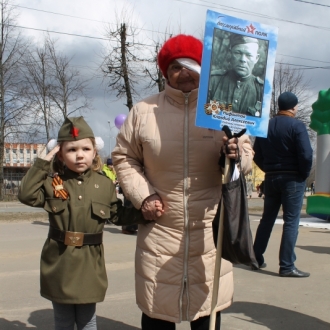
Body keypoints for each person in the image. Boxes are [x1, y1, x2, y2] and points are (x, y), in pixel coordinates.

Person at [112, 34, 253, 330]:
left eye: (192, 65)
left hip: (210, 230)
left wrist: (236, 153)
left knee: (207, 313)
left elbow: (247, 155)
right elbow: (124, 158)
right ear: (166, 72)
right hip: (160, 230)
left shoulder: (224, 109)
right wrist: (143, 196)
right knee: (157, 311)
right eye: (176, 66)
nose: (184, 72)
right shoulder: (144, 111)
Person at [18, 116, 149, 330]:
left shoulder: (104, 184)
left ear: (94, 151)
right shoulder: (54, 182)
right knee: (63, 321)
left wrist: (145, 212)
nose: (80, 155)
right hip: (59, 261)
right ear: (59, 153)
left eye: (86, 149)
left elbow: (118, 216)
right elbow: (26, 195)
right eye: (71, 150)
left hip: (90, 263)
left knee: (88, 321)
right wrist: (43, 162)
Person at [253, 92, 313, 277]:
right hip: (293, 178)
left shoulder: (265, 126)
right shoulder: (297, 126)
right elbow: (306, 154)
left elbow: (257, 154)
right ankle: (287, 266)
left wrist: (269, 169)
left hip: (271, 178)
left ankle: (255, 258)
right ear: (294, 107)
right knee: (291, 222)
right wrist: (302, 174)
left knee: (267, 219)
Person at [208, 34, 263, 117]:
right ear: (230, 53)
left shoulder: (261, 89)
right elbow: (204, 117)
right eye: (238, 53)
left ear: (256, 58)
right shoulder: (213, 81)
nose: (243, 59)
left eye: (248, 55)